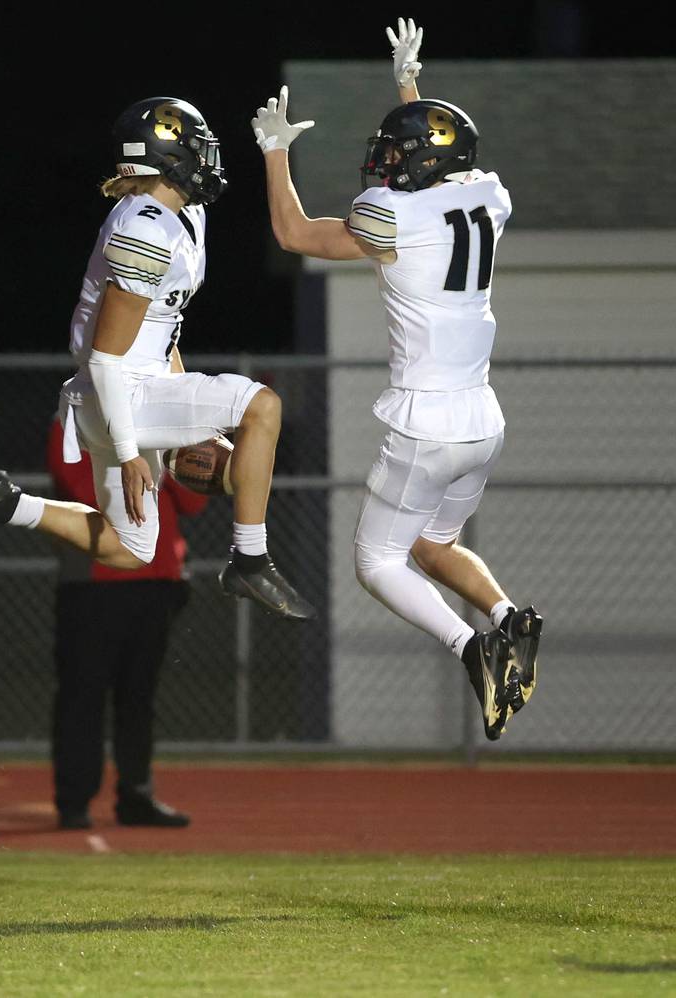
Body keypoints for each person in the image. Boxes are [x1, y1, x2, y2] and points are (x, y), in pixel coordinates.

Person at [250, 19, 542, 740]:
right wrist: (410, 88)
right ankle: (510, 617)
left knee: (376, 561)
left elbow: (293, 232)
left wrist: (276, 151)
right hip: (482, 421)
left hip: (426, 422)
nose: (383, 165)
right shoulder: (490, 197)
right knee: (432, 546)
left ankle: (473, 647)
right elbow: (444, 157)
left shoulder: (393, 216)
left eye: (394, 154)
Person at [0, 96, 314, 622]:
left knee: (131, 549)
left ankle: (8, 504)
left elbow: (161, 332)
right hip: (116, 395)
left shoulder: (182, 214)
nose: (207, 161)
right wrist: (130, 451)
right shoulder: (144, 228)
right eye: (197, 150)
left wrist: (180, 409)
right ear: (165, 156)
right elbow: (107, 357)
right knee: (261, 406)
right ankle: (249, 558)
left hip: (131, 388)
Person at [47, 418, 206, 830]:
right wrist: (141, 463)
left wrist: (165, 457)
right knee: (83, 695)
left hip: (155, 581)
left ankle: (137, 794)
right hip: (94, 583)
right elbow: (81, 488)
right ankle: (74, 801)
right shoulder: (76, 412)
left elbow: (195, 499)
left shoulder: (165, 417)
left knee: (139, 699)